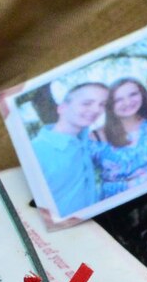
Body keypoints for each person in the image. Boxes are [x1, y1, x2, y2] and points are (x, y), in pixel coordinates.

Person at [32, 82, 109, 217]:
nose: (97, 110)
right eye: (87, 103)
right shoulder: (36, 151)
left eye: (102, 104)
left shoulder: (85, 139)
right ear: (62, 108)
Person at [91, 77, 147, 194]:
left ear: (142, 94)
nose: (127, 103)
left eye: (133, 94)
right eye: (118, 100)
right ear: (109, 105)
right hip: (126, 197)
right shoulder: (95, 137)